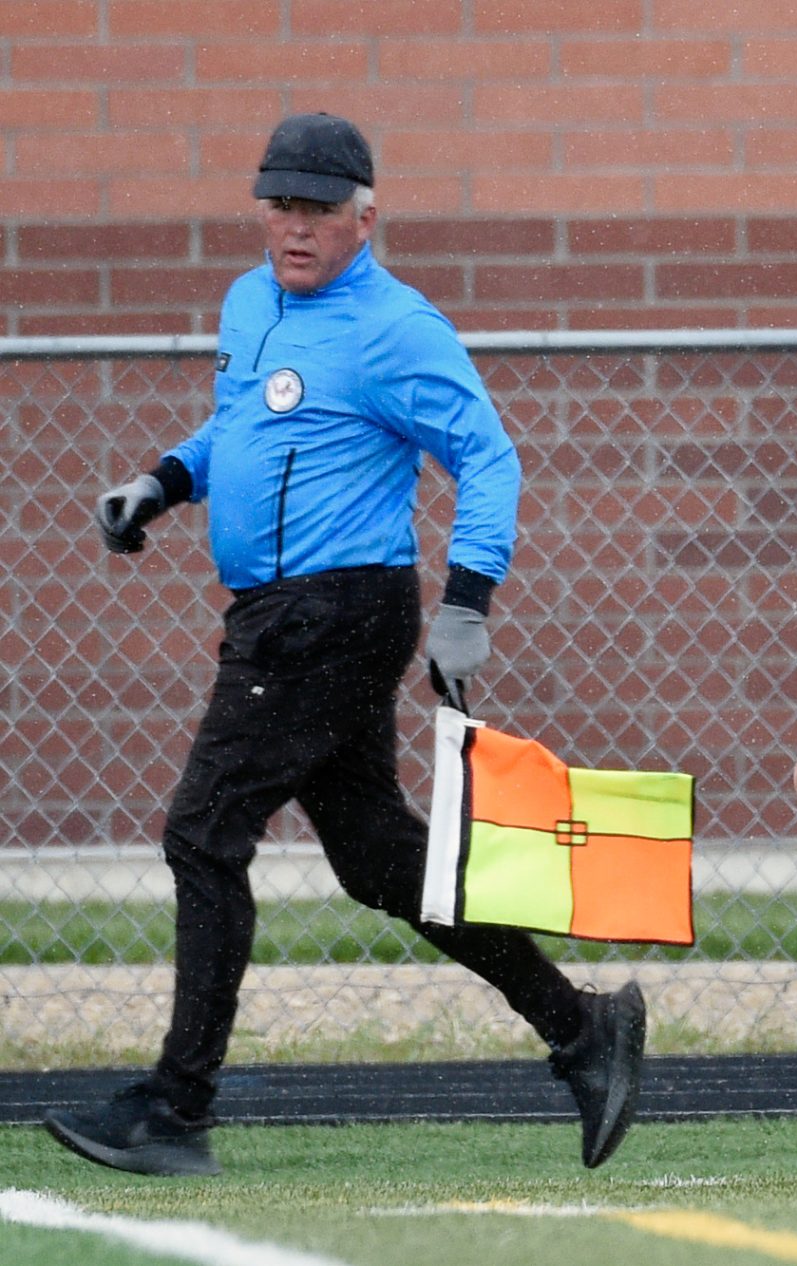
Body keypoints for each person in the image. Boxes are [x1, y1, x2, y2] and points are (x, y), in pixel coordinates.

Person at [46, 113, 645, 1178]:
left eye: (319, 210)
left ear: (365, 219)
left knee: (202, 836)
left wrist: (468, 604)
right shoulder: (250, 301)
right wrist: (162, 482)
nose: (296, 226)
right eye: (280, 204)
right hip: (278, 614)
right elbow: (240, 426)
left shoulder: (397, 328)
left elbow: (488, 457)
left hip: (334, 615)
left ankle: (176, 1110)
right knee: (375, 859)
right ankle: (582, 1028)